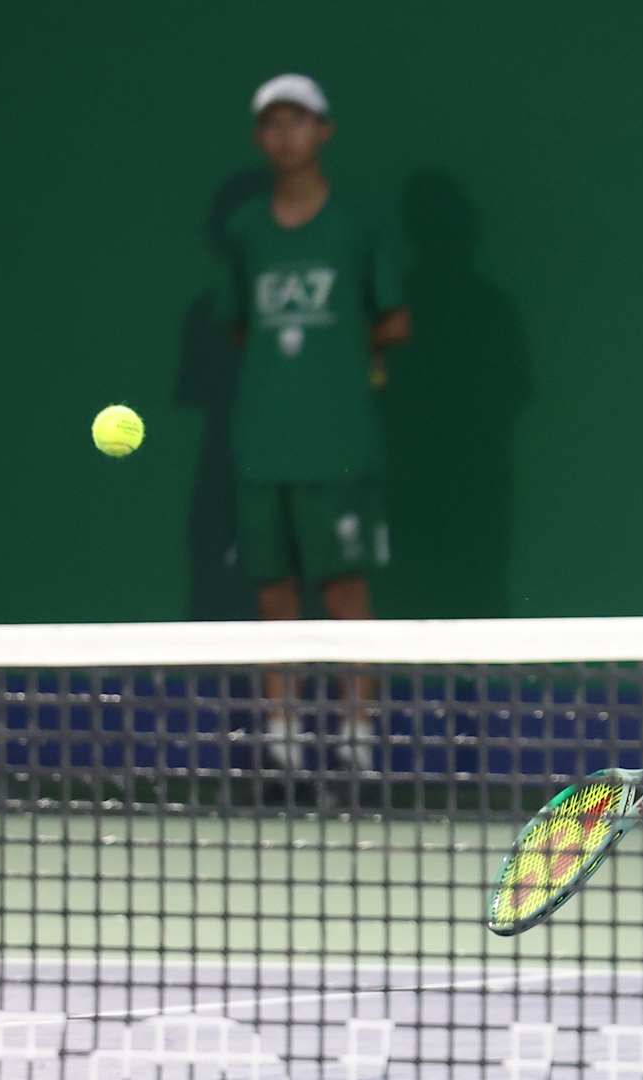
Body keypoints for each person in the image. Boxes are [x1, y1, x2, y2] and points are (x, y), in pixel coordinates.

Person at [219, 74, 410, 805]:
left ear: (323, 130)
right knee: (273, 597)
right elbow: (241, 326)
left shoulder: (360, 224)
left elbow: (394, 320)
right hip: (261, 446)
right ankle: (283, 751)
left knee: (345, 592)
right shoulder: (244, 232)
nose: (284, 136)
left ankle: (357, 752)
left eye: (297, 121)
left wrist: (339, 360)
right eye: (271, 124)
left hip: (342, 445)